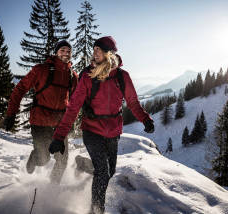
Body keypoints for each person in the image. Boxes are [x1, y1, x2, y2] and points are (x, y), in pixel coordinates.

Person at [49, 36, 154, 214]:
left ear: (109, 53)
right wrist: (59, 136)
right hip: (92, 129)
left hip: (113, 131)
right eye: (94, 49)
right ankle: (97, 210)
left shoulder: (122, 76)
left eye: (99, 49)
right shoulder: (88, 75)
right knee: (103, 172)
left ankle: (83, 165)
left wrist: (145, 119)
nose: (94, 52)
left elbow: (133, 102)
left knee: (109, 171)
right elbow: (73, 108)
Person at [3, 40, 78, 184]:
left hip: (59, 125)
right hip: (40, 122)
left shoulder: (72, 76)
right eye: (62, 50)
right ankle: (36, 156)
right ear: (56, 52)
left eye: (68, 51)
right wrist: (11, 114)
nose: (66, 53)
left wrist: (70, 122)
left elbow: (74, 102)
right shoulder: (41, 70)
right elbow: (20, 89)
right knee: (44, 159)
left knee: (62, 160)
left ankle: (52, 191)